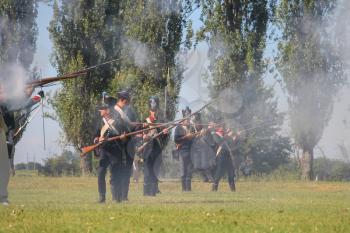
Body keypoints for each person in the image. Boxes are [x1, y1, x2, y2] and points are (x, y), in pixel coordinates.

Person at [139, 96, 168, 196]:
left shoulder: (161, 119)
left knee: (155, 170)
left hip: (157, 148)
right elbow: (139, 133)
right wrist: (144, 135)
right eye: (151, 104)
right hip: (147, 148)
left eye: (155, 104)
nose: (153, 107)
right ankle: (146, 192)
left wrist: (165, 133)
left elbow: (165, 139)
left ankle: (152, 192)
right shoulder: (145, 119)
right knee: (147, 171)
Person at [210, 118, 236, 192]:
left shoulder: (225, 135)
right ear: (218, 127)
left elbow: (231, 145)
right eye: (221, 126)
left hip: (227, 156)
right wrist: (227, 135)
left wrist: (234, 137)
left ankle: (233, 191)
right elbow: (219, 142)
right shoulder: (215, 134)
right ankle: (214, 190)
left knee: (231, 174)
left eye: (223, 126)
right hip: (220, 156)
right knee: (218, 174)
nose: (223, 127)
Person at [174, 106, 195, 191]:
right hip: (182, 151)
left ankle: (188, 189)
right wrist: (186, 136)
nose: (188, 120)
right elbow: (176, 139)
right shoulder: (178, 127)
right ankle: (183, 189)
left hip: (190, 151)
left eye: (188, 117)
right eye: (186, 118)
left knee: (189, 172)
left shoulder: (192, 127)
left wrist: (197, 135)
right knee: (183, 172)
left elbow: (194, 140)